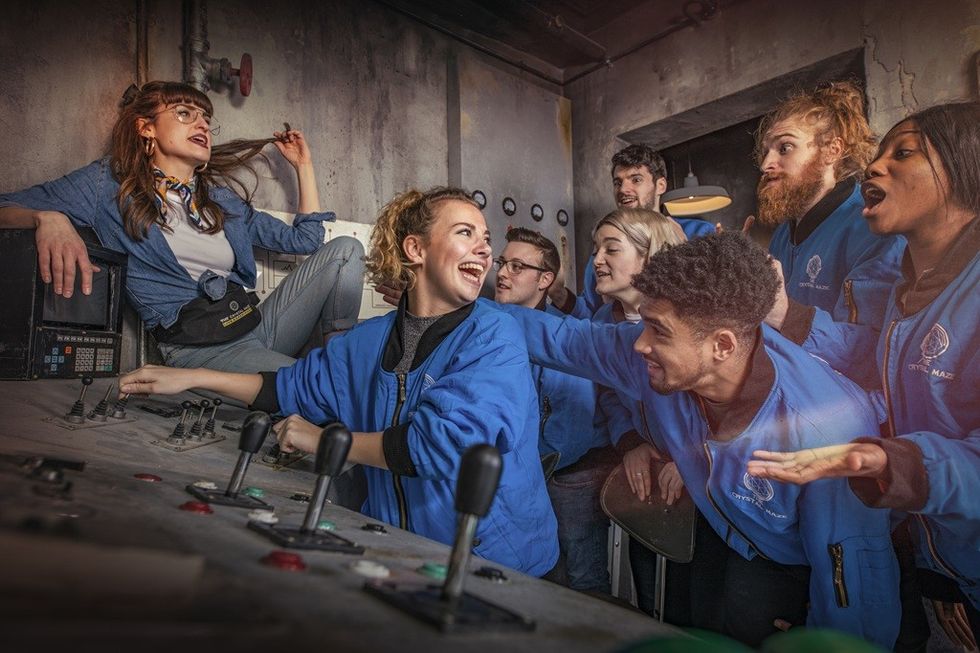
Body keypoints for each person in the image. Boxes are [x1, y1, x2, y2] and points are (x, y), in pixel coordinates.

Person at [119, 187, 559, 576]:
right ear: (416, 249)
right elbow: (285, 388)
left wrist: (321, 440)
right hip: (405, 555)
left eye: (486, 240)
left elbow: (435, 447)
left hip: (496, 564)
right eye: (466, 233)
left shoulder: (494, 335)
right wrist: (192, 375)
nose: (484, 250)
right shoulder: (366, 342)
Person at [498, 232, 900, 648]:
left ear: (721, 345)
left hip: (792, 566)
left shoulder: (826, 429)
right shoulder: (652, 360)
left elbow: (852, 577)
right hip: (720, 532)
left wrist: (827, 640)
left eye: (658, 331)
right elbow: (563, 339)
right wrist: (463, 308)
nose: (640, 343)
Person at [749, 101, 980, 650]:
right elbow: (878, 358)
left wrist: (894, 459)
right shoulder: (912, 292)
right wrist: (785, 313)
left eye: (904, 153)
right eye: (878, 155)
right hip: (945, 564)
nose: (874, 168)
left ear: (968, 167)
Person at [0, 81, 364, 374]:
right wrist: (48, 218)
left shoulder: (220, 201)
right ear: (146, 128)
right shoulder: (108, 185)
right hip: (199, 351)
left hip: (256, 326)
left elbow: (307, 240)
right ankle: (330, 381)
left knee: (346, 250)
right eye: (185, 113)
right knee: (322, 396)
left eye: (206, 118)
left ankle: (339, 361)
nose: (202, 124)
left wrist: (304, 165)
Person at [755, 80, 905, 388]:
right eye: (766, 151)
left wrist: (786, 315)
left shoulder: (873, 225)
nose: (766, 164)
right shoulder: (784, 233)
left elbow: (876, 355)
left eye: (785, 148)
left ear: (831, 151)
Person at [582, 207, 689, 618]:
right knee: (651, 595)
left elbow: (723, 401)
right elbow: (609, 396)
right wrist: (631, 442)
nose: (597, 260)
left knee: (695, 606)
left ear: (652, 256)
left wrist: (694, 456)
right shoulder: (601, 321)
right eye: (596, 249)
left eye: (612, 248)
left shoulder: (689, 319)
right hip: (651, 481)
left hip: (705, 484)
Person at [494, 226, 612, 592]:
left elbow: (568, 429)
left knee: (580, 579)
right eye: (502, 262)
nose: (501, 273)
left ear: (545, 279)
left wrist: (529, 468)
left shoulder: (565, 336)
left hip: (565, 475)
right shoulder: (490, 329)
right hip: (518, 475)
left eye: (517, 267)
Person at [548, 144, 714, 318]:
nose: (623, 190)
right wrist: (558, 293)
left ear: (661, 185)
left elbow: (716, 304)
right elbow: (591, 313)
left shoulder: (699, 233)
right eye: (617, 182)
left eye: (636, 180)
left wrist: (684, 256)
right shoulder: (603, 247)